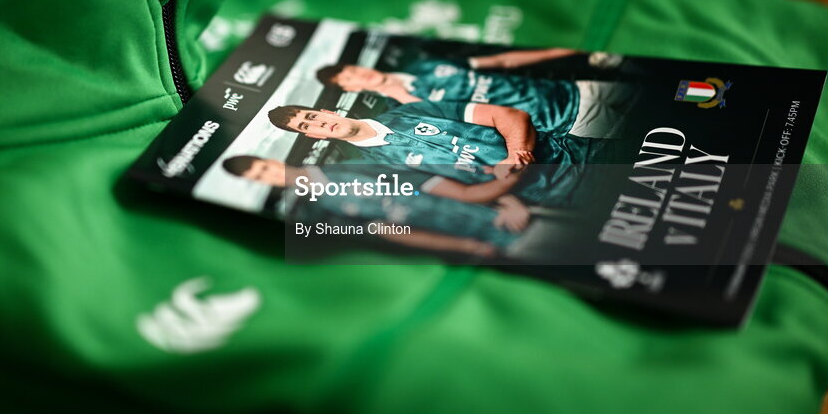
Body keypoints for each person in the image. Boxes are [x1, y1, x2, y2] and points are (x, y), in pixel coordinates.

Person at [266, 101, 597, 207]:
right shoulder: (372, 167)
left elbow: (510, 116)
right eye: (306, 126)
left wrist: (516, 154)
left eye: (311, 115)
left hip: (580, 152)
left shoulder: (410, 111)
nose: (317, 123)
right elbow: (464, 195)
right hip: (560, 196)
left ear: (325, 111)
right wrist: (511, 181)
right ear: (310, 135)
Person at [221, 155, 531, 253]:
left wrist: (509, 200)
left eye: (263, 167)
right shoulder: (318, 212)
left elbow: (441, 180)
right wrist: (467, 247)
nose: (270, 175)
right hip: (490, 247)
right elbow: (394, 233)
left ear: (270, 160)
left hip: (515, 216)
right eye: (260, 177)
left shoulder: (352, 164)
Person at [316, 50, 634, 139]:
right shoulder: (403, 112)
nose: (360, 74)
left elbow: (501, 61)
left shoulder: (426, 65)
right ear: (350, 89)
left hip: (577, 87)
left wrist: (562, 51)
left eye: (354, 68)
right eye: (351, 79)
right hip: (569, 120)